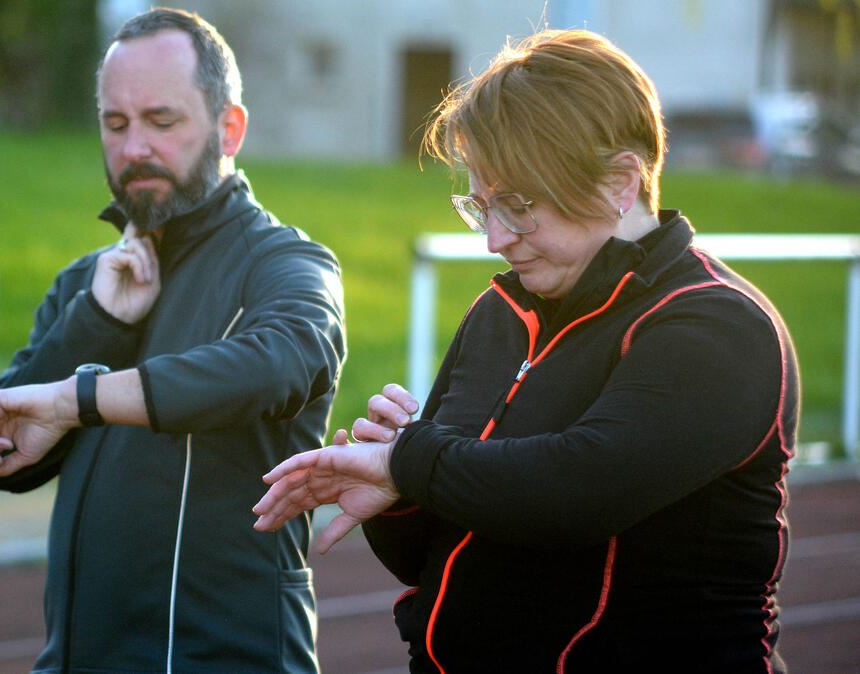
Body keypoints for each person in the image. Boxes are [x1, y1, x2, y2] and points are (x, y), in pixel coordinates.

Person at [254, 29, 797, 674]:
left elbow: (575, 493)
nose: (493, 238)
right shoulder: (501, 312)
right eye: (480, 207)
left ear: (621, 180)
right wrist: (401, 499)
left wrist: (411, 458)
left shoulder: (717, 326)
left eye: (516, 205)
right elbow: (461, 546)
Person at [0, 8, 345, 673]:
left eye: (161, 121)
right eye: (115, 124)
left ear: (230, 128)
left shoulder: (287, 264)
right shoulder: (89, 281)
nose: (134, 146)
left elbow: (276, 362)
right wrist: (98, 325)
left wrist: (80, 398)